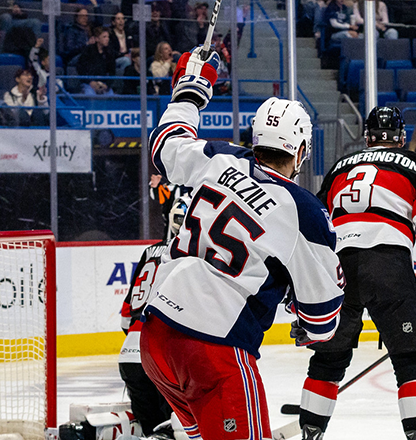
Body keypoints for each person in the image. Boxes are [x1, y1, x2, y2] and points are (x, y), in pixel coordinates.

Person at [140, 47, 344, 440]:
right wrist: (306, 326)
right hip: (214, 350)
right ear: (300, 152)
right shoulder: (304, 210)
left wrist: (191, 89)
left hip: (156, 337)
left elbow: (164, 146)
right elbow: (322, 317)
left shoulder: (219, 157)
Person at [301, 107, 416, 440]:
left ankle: (310, 430)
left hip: (337, 264)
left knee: (328, 358)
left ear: (367, 138)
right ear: (401, 138)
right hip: (387, 260)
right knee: (411, 359)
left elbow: (313, 220)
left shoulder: (340, 167)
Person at [118, 199, 187, 440]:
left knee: (151, 433)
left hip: (129, 356)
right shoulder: (188, 254)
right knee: (177, 430)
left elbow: (126, 317)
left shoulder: (149, 252)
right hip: (162, 357)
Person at [77, 27, 116, 95]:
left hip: (104, 83)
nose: (107, 39)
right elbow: (80, 68)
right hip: (89, 83)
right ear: (97, 39)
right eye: (104, 37)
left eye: (108, 37)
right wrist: (91, 82)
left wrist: (107, 86)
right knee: (90, 94)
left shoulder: (110, 52)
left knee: (110, 95)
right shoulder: (88, 50)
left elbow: (112, 71)